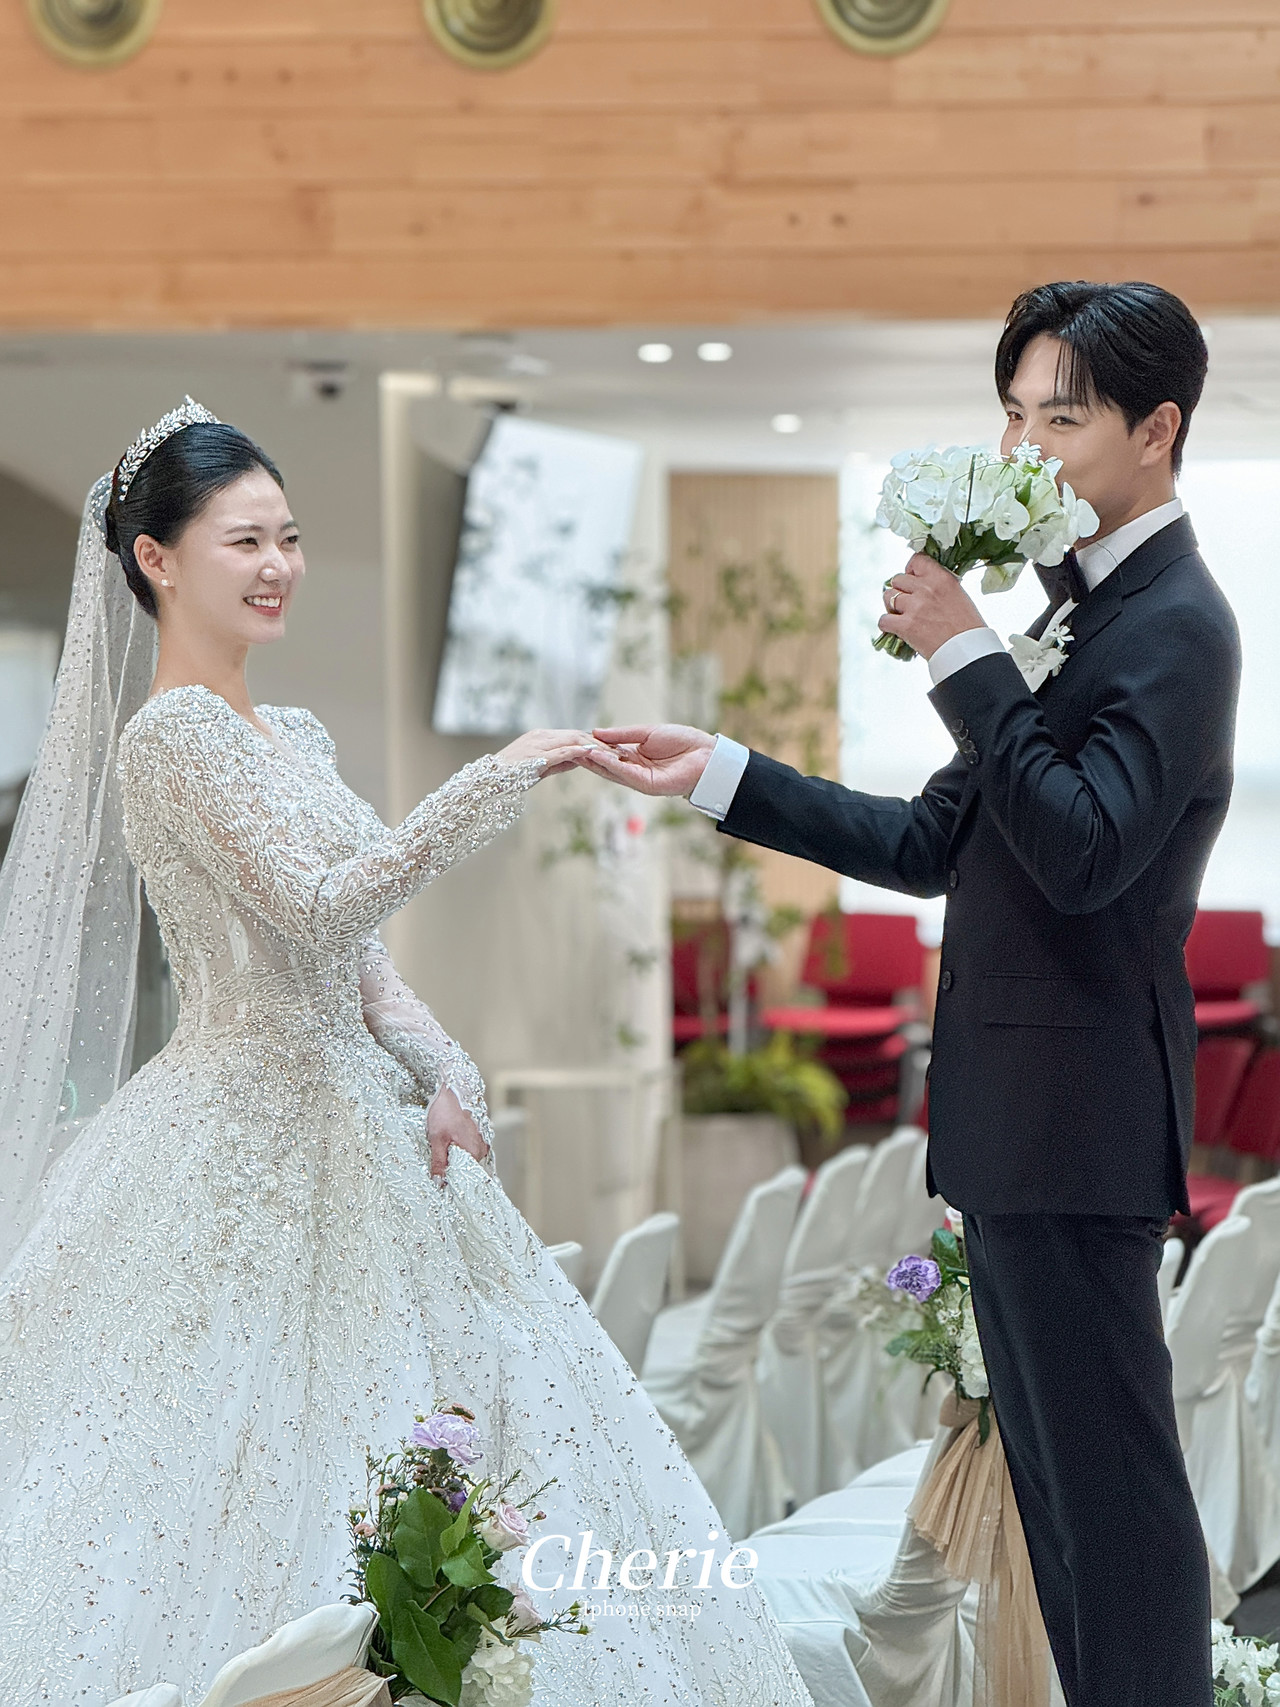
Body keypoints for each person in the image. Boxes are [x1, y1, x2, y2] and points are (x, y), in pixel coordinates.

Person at [0, 401, 814, 1706]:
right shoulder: (171, 738)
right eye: (242, 540)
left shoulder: (297, 737)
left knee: (444, 1437)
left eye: (288, 536)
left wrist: (447, 1070)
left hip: (366, 1124)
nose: (277, 564)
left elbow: (365, 970)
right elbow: (321, 907)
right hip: (237, 1137)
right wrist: (500, 776)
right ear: (156, 560)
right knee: (238, 1455)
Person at [585, 281, 1239, 1707]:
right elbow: (933, 841)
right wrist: (723, 772)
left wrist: (964, 651)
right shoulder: (1072, 617)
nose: (1024, 450)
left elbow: (1082, 852)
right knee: (1060, 1509)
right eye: (1013, 416)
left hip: (1078, 1122)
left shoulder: (1176, 624)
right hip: (1016, 1128)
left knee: (1116, 1508)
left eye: (1059, 419)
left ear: (1157, 430)